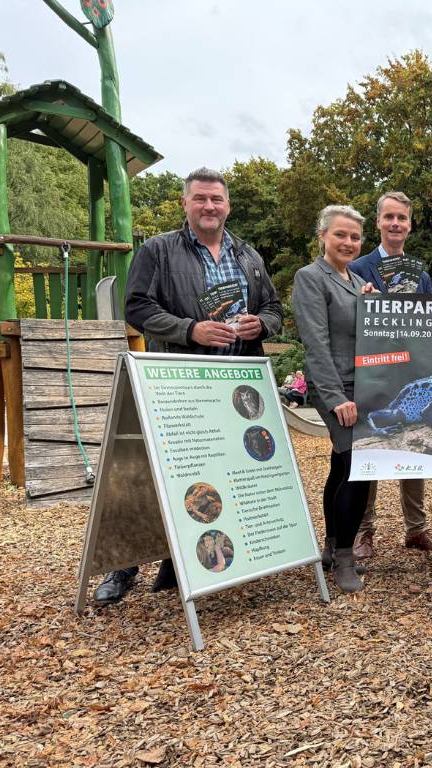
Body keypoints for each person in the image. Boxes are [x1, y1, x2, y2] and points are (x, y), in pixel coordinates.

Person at [94, 167, 283, 606]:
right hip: (180, 381)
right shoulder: (158, 250)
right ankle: (122, 565)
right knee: (147, 476)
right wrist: (189, 329)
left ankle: (184, 560)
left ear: (228, 205)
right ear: (186, 203)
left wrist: (262, 325)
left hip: (236, 386)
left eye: (216, 199)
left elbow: (273, 308)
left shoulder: (249, 256)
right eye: (200, 198)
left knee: (215, 473)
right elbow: (137, 307)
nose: (209, 206)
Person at [348, 191, 432, 557]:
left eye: (401, 218)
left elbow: (426, 327)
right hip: (371, 372)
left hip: (408, 370)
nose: (395, 224)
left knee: (413, 443)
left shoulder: (421, 274)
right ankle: (363, 531)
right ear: (377, 222)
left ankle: (416, 529)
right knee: (370, 449)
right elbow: (347, 321)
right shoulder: (357, 268)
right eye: (388, 217)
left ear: (410, 224)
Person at [292, 204, 377, 593]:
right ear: (322, 235)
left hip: (364, 388)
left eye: (355, 237)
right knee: (360, 468)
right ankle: (345, 555)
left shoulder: (358, 281)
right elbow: (315, 342)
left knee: (340, 468)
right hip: (337, 390)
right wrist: (333, 397)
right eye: (340, 234)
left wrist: (372, 303)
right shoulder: (311, 278)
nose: (348, 242)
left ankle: (329, 546)